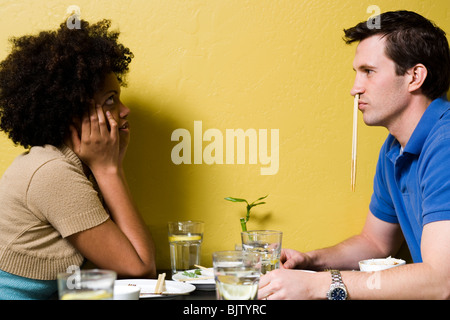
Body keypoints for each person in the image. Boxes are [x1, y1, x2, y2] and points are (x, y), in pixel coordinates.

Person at [258, 10, 450, 300]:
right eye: (356, 73)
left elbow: (441, 281)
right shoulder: (394, 147)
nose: (354, 89)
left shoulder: (445, 144)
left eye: (369, 72)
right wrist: (309, 261)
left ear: (414, 76)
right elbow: (374, 242)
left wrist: (316, 286)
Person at [0, 19, 156, 299]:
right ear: (73, 112)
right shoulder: (52, 172)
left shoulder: (70, 164)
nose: (125, 110)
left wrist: (112, 166)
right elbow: (140, 270)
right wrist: (109, 170)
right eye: (110, 100)